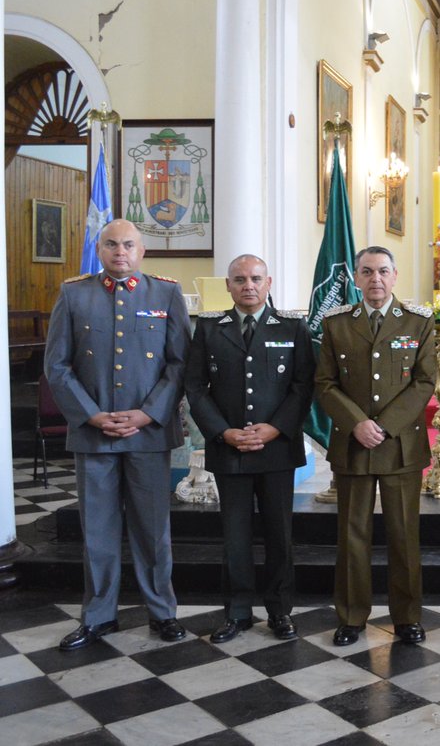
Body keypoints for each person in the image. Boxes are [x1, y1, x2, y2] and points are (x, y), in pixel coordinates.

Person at [44, 219, 190, 650]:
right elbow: (57, 366)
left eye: (128, 245)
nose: (120, 252)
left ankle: (162, 613)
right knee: (99, 530)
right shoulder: (74, 293)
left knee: (152, 530)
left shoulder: (165, 293)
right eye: (111, 244)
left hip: (147, 434)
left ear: (142, 251)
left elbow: (179, 363)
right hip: (95, 435)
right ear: (99, 248)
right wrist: (90, 416)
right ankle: (98, 615)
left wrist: (148, 415)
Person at [185, 254, 314, 643]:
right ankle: (237, 611)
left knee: (279, 533)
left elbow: (303, 385)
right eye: (239, 279)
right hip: (229, 448)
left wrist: (275, 429)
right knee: (234, 535)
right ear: (228, 285)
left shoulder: (292, 327)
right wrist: (223, 432)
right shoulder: (210, 329)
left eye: (256, 278)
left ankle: (280, 611)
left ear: (269, 282)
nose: (248, 285)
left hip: (276, 449)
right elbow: (195, 387)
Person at [314, 246, 436, 647]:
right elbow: (325, 383)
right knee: (353, 535)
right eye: (367, 272)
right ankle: (351, 616)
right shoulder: (337, 324)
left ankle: (407, 618)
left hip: (400, 444)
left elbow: (423, 382)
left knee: (404, 535)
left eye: (383, 271)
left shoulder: (418, 321)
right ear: (356, 278)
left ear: (395, 275)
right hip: (354, 443)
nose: (375, 279)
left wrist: (383, 426)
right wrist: (357, 424)